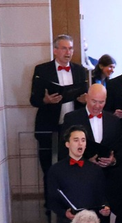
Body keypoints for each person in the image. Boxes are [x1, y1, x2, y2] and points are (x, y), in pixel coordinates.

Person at [30, 35, 88, 183]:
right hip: (49, 125)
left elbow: (84, 96)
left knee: (74, 168)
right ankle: (50, 205)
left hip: (74, 126)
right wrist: (46, 100)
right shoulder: (42, 70)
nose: (68, 52)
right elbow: (34, 100)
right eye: (64, 48)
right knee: (49, 168)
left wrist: (83, 101)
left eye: (70, 48)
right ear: (55, 50)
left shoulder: (80, 71)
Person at [46, 128, 108, 223]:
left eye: (83, 140)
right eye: (76, 140)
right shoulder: (56, 170)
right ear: (67, 144)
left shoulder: (95, 170)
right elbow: (51, 200)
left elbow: (102, 195)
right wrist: (65, 213)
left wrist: (106, 207)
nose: (80, 143)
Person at [60, 83, 122, 170]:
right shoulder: (72, 118)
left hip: (108, 177)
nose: (97, 106)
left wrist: (113, 160)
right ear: (86, 98)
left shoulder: (113, 120)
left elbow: (120, 149)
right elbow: (64, 150)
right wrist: (85, 161)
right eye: (94, 101)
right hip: (81, 174)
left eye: (101, 102)